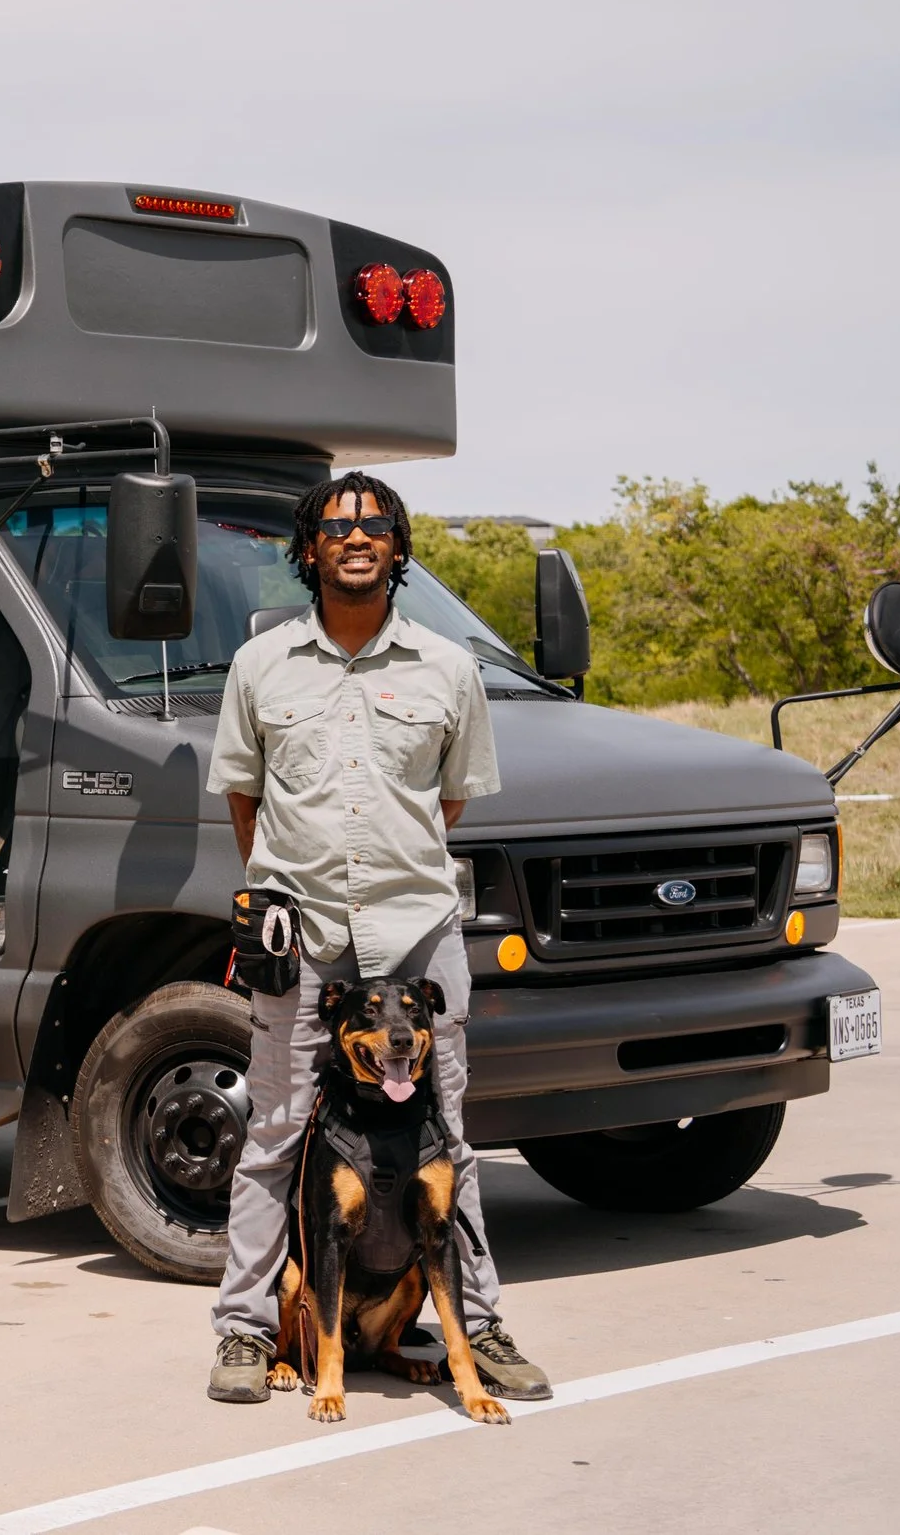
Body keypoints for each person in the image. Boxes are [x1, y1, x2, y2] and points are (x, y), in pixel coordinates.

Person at [203, 470, 552, 1406]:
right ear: (308, 550)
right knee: (275, 1132)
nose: (355, 537)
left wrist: (391, 869)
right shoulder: (261, 666)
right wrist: (277, 880)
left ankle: (479, 1323)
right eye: (335, 525)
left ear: (398, 549)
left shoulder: (446, 669)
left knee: (449, 1135)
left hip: (414, 926)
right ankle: (244, 1330)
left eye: (374, 526)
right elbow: (245, 792)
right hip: (301, 928)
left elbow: (448, 800)